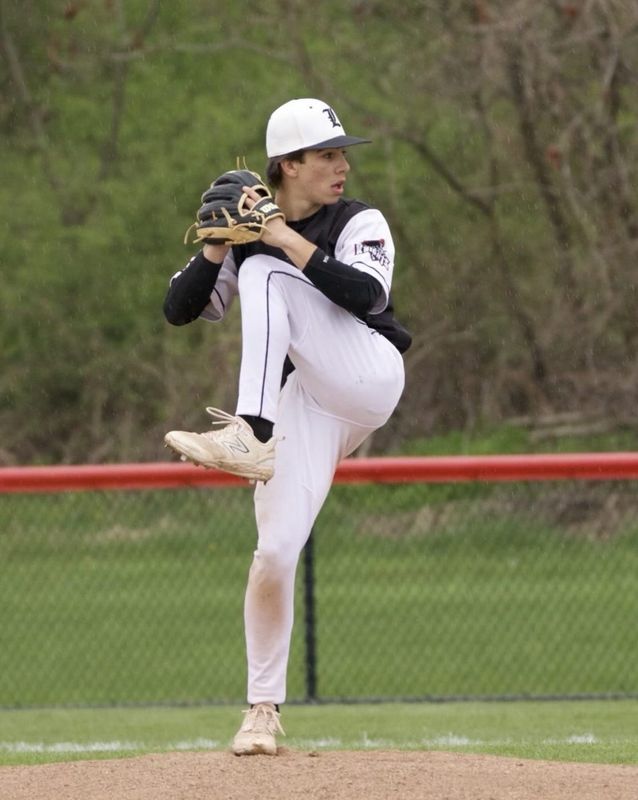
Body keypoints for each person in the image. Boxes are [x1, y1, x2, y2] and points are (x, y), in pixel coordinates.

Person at [162, 98, 411, 755]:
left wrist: (274, 238)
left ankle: (249, 430)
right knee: (273, 552)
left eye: (341, 152)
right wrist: (218, 244)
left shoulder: (360, 221)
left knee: (269, 268)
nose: (341, 165)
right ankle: (261, 712)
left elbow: (366, 297)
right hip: (306, 403)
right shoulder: (250, 244)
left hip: (367, 372)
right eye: (326, 154)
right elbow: (180, 309)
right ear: (287, 166)